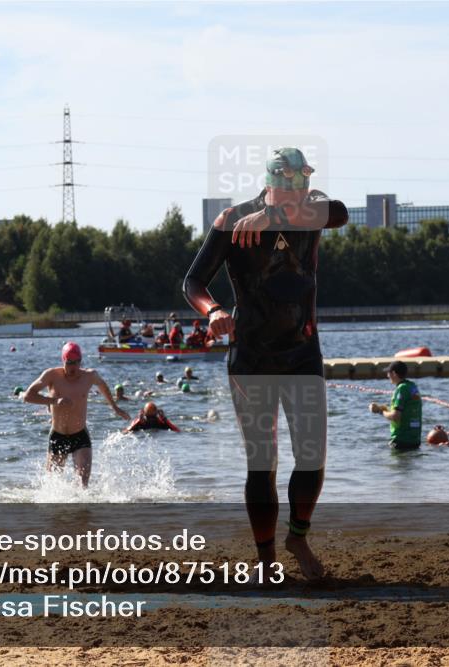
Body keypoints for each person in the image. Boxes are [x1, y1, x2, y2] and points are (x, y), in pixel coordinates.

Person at [184, 146, 348, 581]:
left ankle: (298, 536)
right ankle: (267, 561)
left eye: (303, 192)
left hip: (302, 352)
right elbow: (193, 280)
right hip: (251, 356)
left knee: (312, 457)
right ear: (272, 185)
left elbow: (341, 212)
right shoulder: (232, 219)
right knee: (263, 462)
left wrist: (275, 218)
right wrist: (214, 311)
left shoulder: (314, 210)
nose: (299, 201)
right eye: (289, 194)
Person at [22, 342, 130, 487]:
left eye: (76, 362)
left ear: (81, 361)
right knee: (52, 486)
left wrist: (115, 407)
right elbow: (28, 396)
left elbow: (103, 386)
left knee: (82, 485)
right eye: (69, 363)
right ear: (63, 361)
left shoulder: (89, 376)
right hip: (58, 435)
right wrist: (55, 401)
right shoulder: (51, 375)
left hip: (80, 436)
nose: (73, 367)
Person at [369, 361, 423, 450]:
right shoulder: (412, 386)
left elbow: (396, 416)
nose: (387, 376)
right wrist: (385, 409)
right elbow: (406, 410)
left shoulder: (401, 389)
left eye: (388, 373)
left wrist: (380, 411)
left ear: (394, 373)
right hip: (415, 440)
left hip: (401, 440)